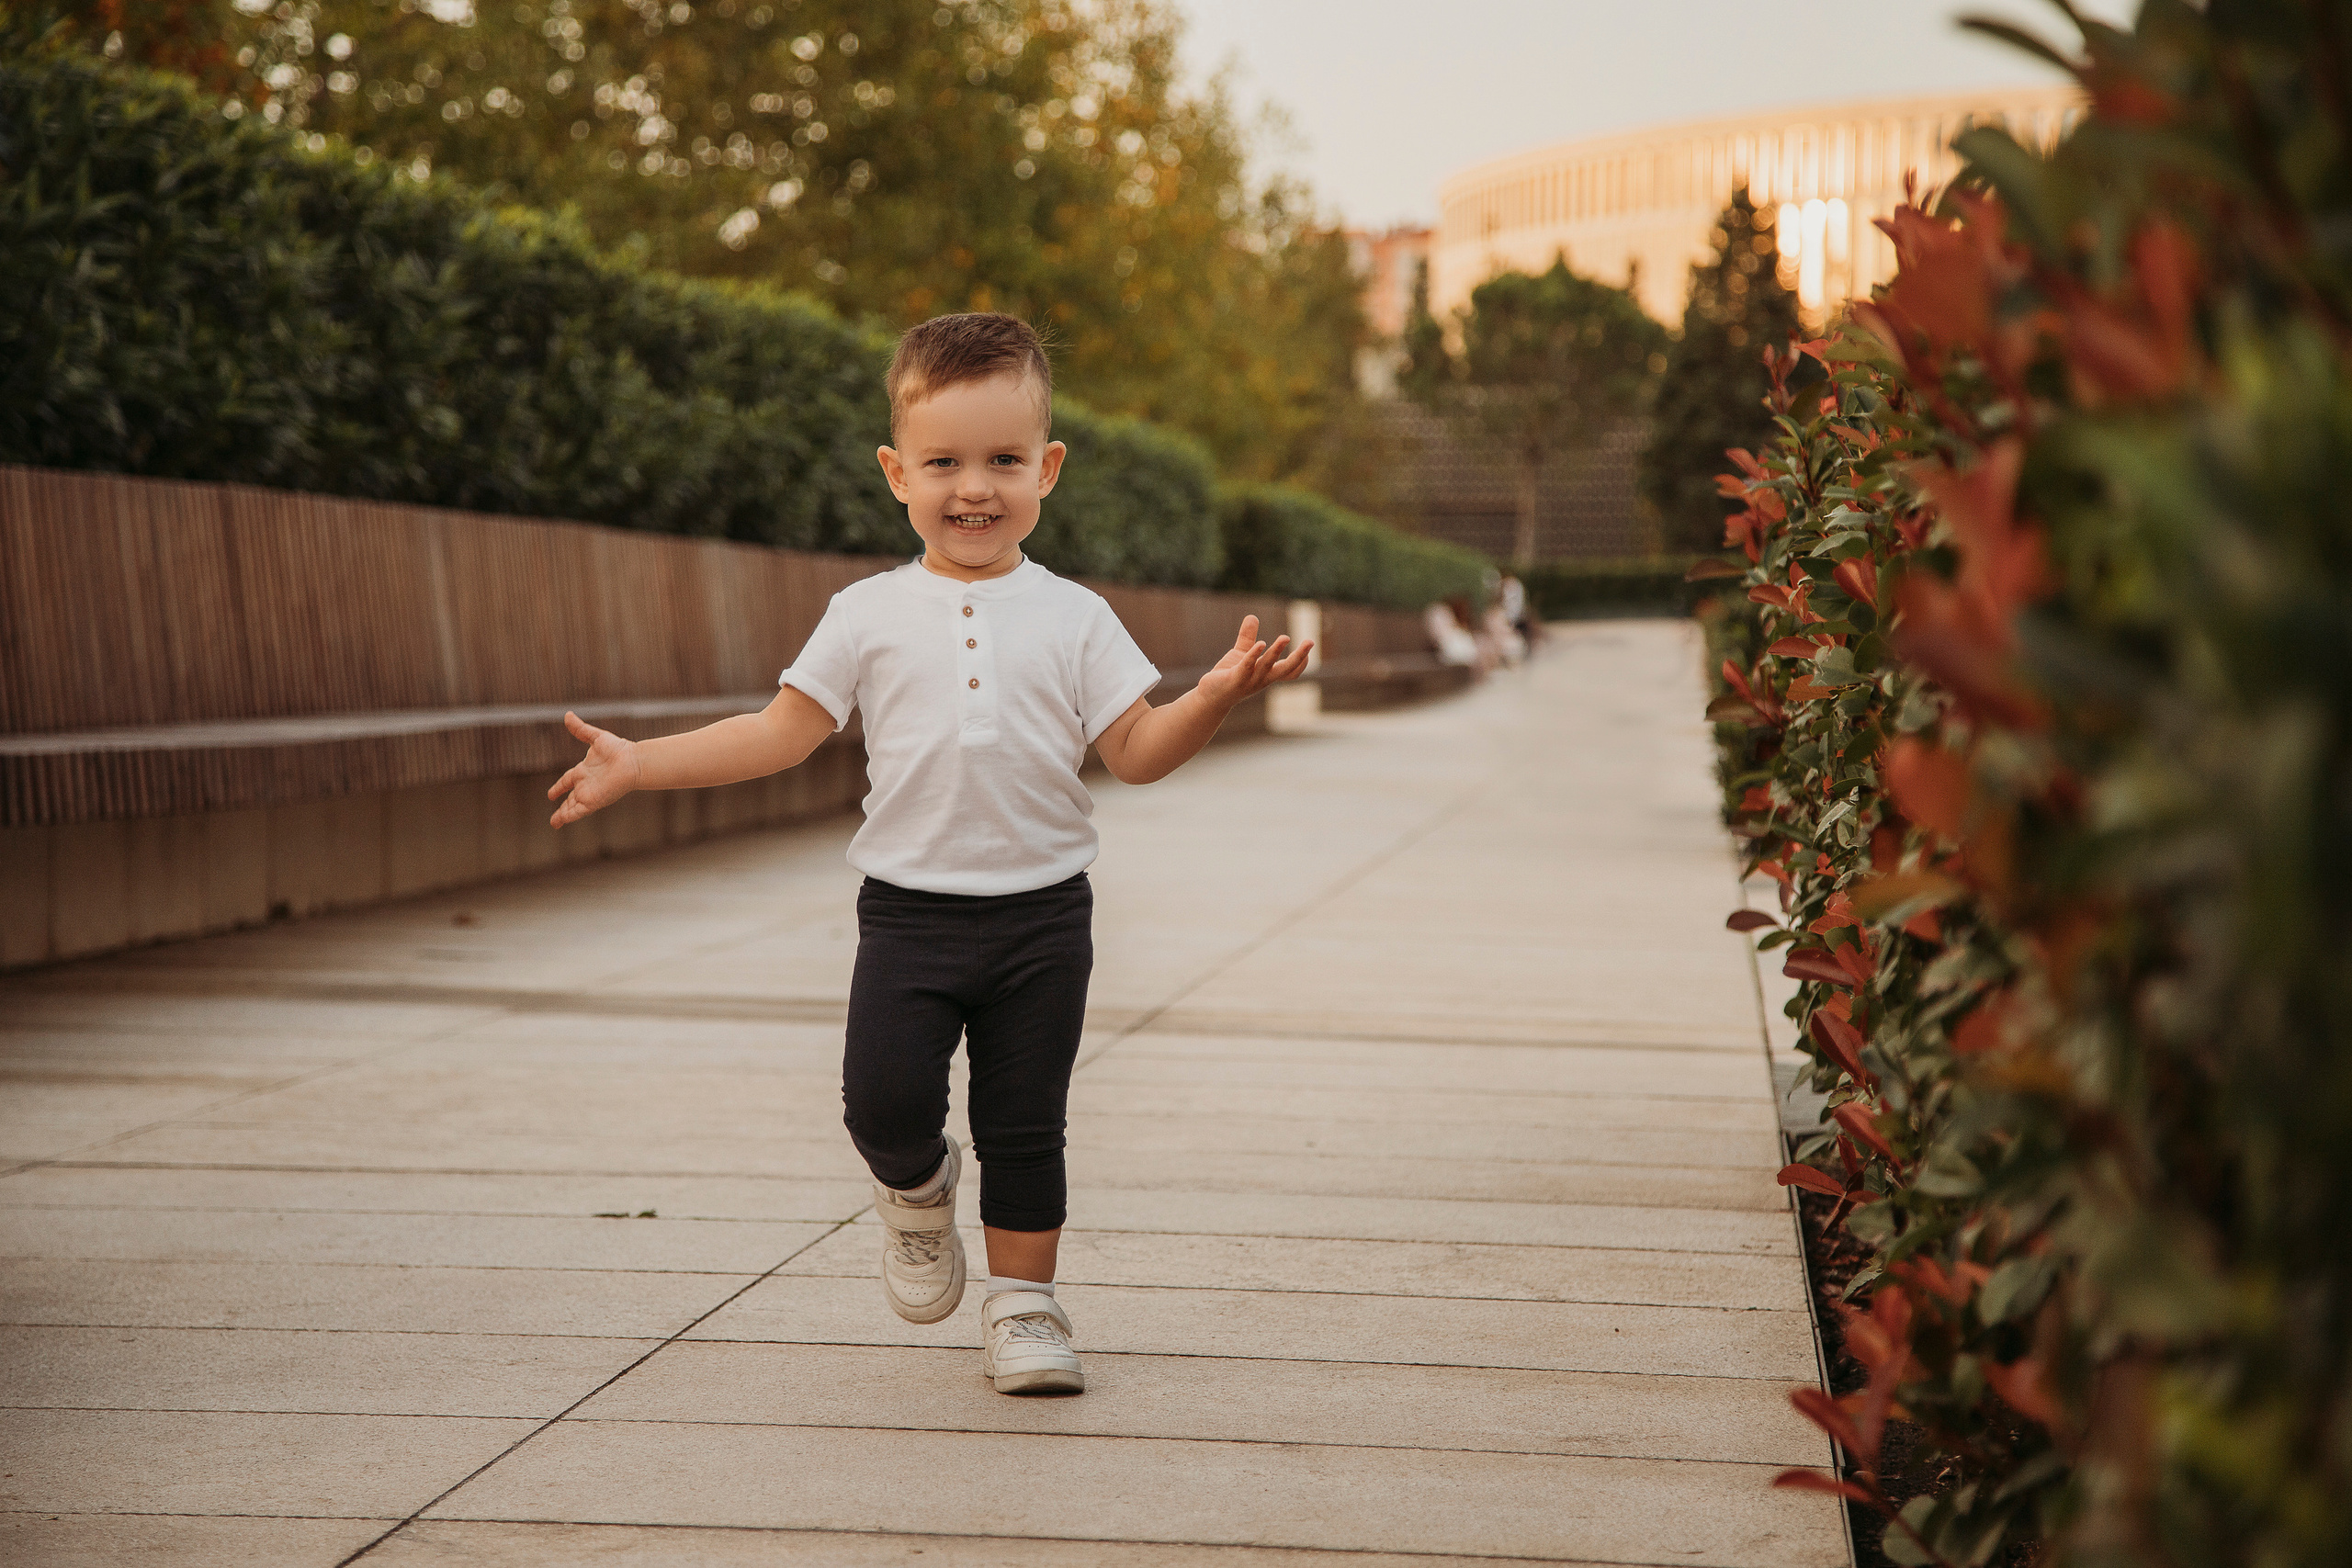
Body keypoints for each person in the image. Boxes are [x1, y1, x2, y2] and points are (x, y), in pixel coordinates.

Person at [546, 313, 1311, 1396]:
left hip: (1045, 914)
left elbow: (1136, 753)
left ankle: (1025, 1308)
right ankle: (914, 1194)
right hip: (908, 914)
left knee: (1025, 1122)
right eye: (944, 462)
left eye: (1004, 461)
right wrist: (643, 764)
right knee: (883, 1105)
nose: (974, 488)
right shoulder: (863, 614)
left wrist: (1214, 696)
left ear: (1046, 469)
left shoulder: (1075, 616)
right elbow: (778, 732)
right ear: (894, 472)